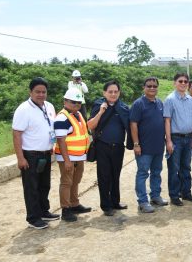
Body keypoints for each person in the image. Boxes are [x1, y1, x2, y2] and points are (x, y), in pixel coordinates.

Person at [12, 77, 59, 229]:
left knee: (44, 185)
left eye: (43, 92)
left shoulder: (49, 106)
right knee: (31, 187)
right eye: (37, 92)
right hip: (30, 155)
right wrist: (20, 158)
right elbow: (16, 134)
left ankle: (44, 211)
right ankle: (33, 218)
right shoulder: (24, 109)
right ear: (30, 92)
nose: (41, 95)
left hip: (46, 153)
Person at [87, 80, 131, 216]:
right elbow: (90, 126)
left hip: (118, 147)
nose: (113, 94)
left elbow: (129, 126)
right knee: (104, 176)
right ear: (104, 93)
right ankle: (106, 206)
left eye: (115, 91)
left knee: (115, 175)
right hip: (102, 146)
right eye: (110, 91)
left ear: (119, 92)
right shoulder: (98, 105)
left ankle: (115, 202)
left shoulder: (123, 107)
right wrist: (101, 112)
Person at [130, 77, 167, 213]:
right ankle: (143, 201)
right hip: (144, 147)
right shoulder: (138, 104)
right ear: (144, 87)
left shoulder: (159, 103)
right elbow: (133, 124)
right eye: (149, 86)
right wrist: (136, 144)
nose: (152, 88)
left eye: (154, 86)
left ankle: (155, 196)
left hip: (158, 146)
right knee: (143, 173)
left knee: (156, 172)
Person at [53, 88, 92, 222]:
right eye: (73, 102)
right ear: (65, 101)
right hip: (67, 158)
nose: (76, 105)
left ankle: (74, 204)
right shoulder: (62, 118)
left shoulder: (78, 114)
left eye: (78, 103)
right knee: (66, 182)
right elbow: (61, 141)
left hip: (79, 156)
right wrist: (67, 160)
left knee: (76, 181)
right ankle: (66, 209)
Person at [164, 72, 192, 206]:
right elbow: (167, 121)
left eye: (185, 81)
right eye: (180, 81)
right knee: (174, 168)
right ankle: (174, 195)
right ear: (175, 83)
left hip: (188, 138)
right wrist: (168, 141)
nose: (183, 83)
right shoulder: (170, 100)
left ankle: (186, 192)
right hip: (175, 139)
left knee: (186, 167)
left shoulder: (190, 100)